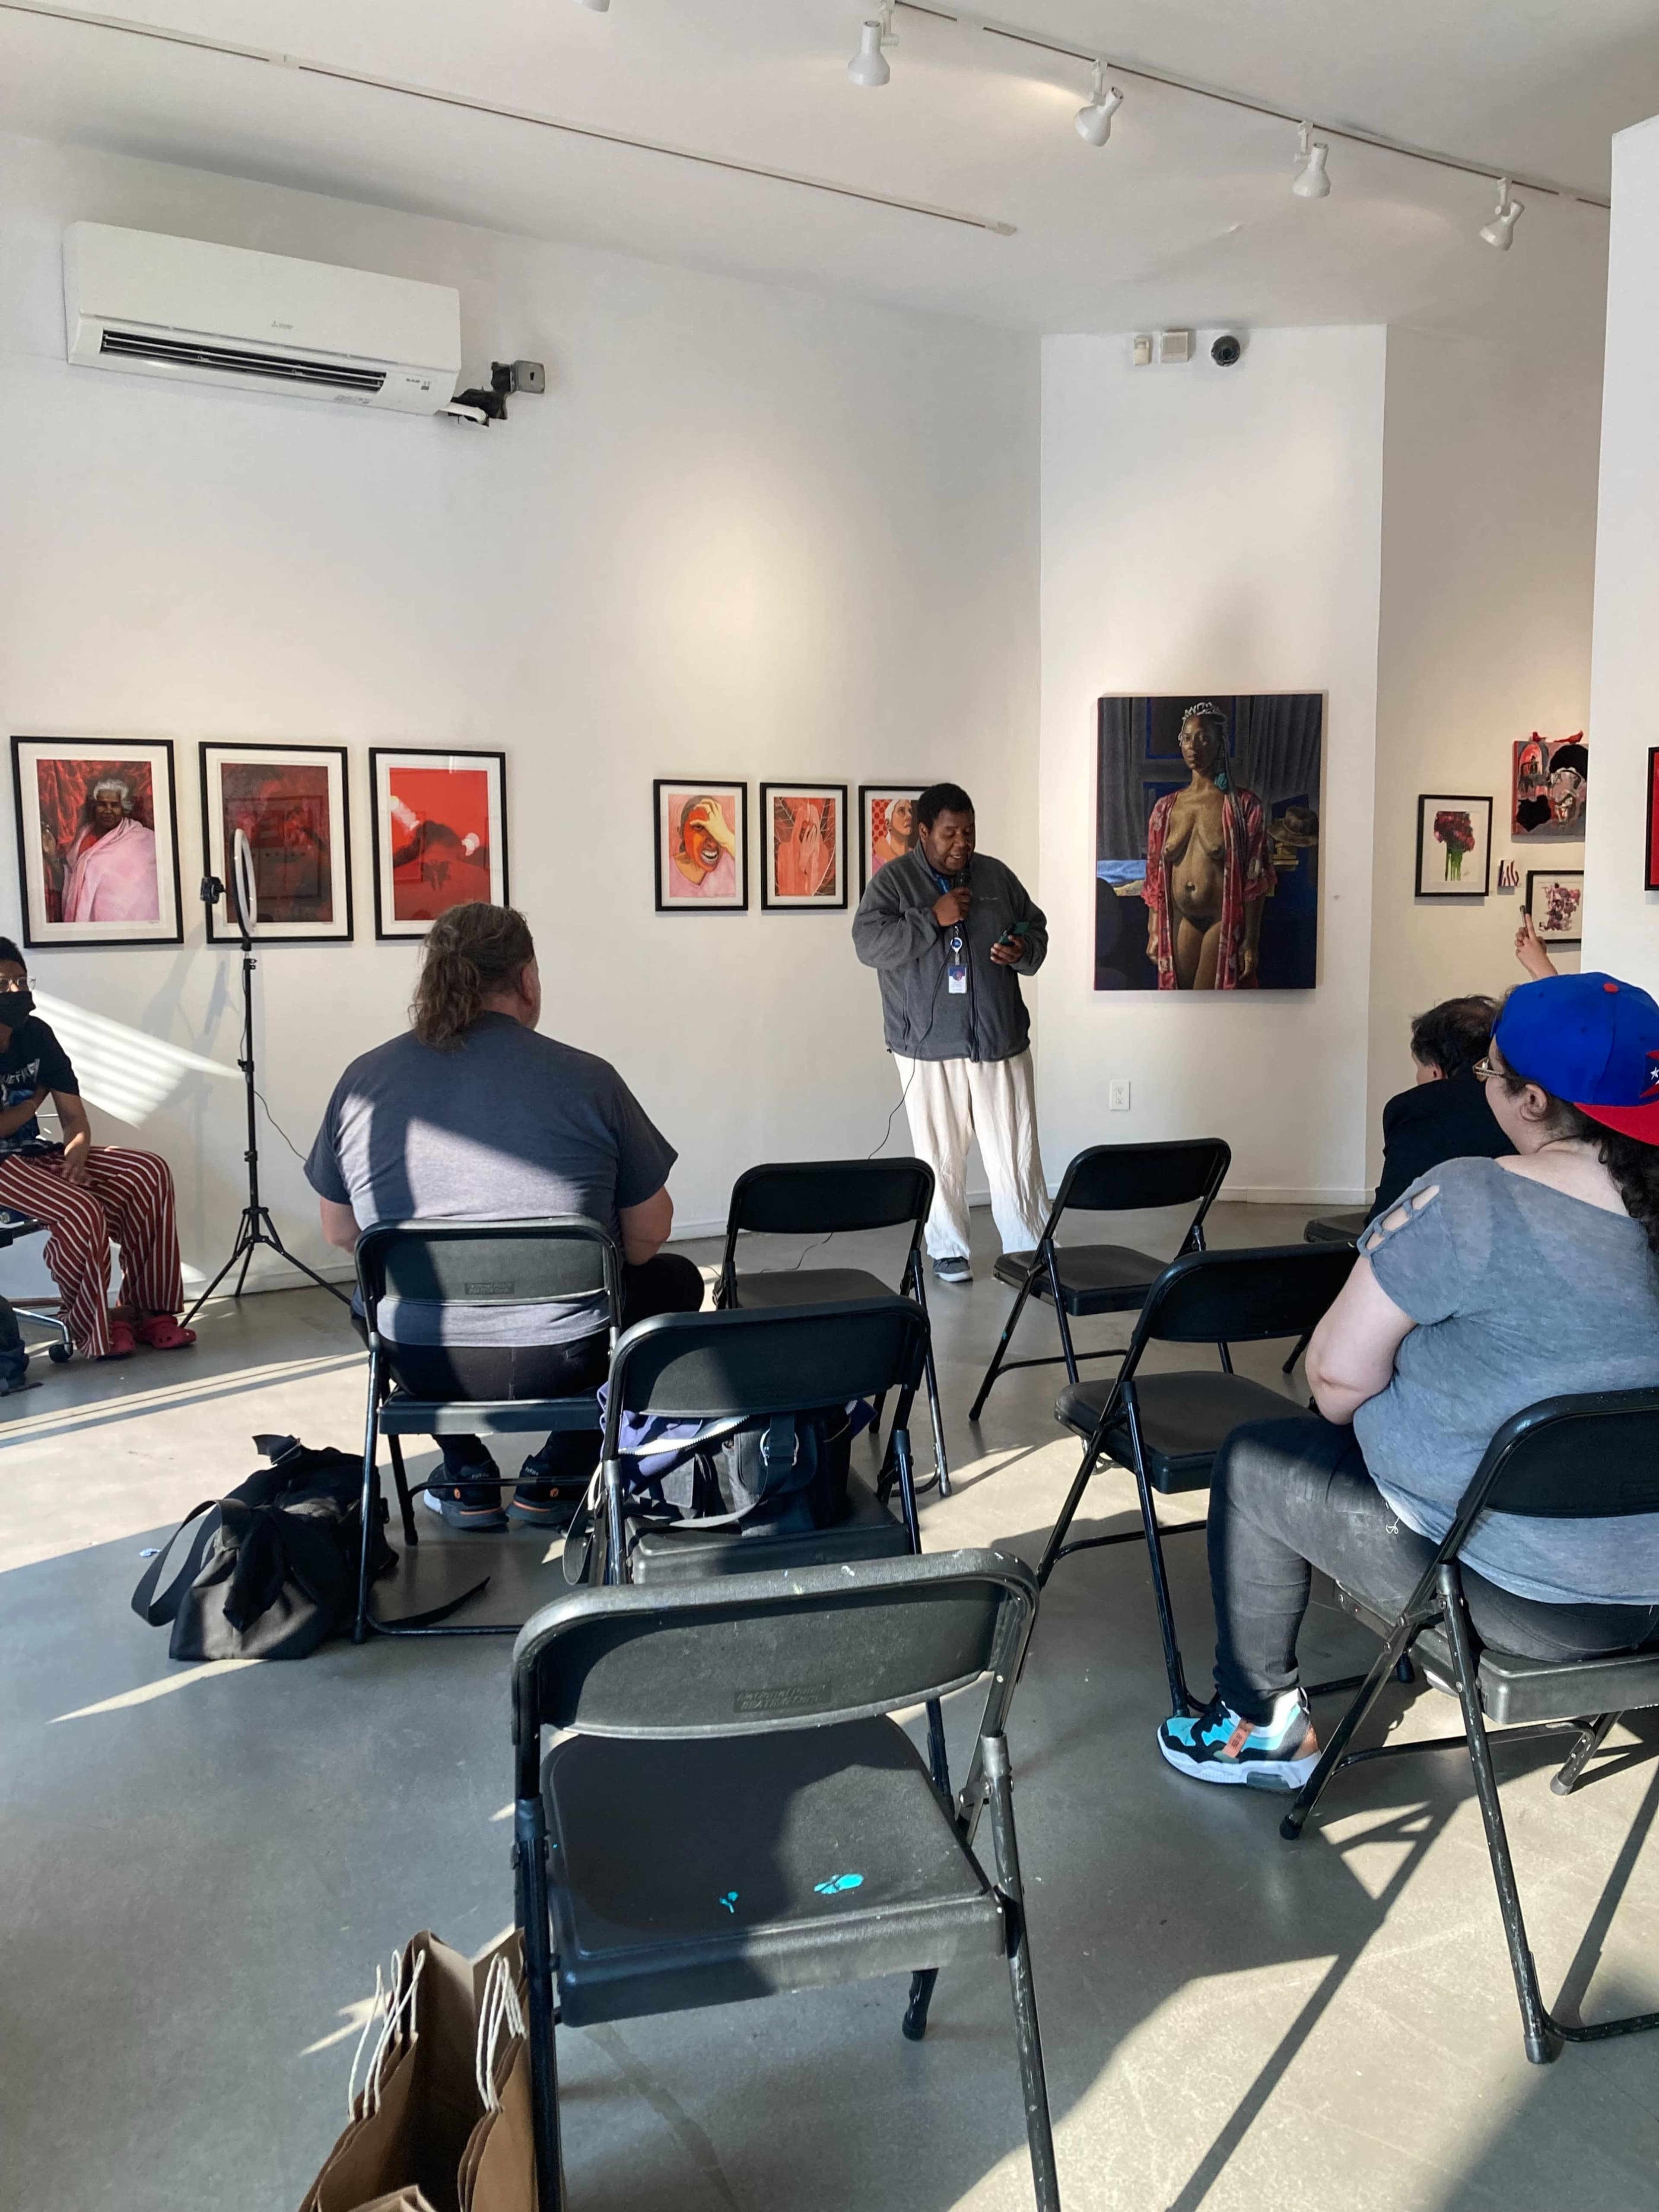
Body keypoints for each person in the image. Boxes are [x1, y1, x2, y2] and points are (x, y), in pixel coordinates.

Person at [1158, 970, 1659, 1789]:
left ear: (1532, 1102)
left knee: (1255, 1458)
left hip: (1528, 1598)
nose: (1484, 1087)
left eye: (1491, 1074)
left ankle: (1260, 1725)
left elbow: (1333, 1382)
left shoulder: (1469, 1198)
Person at [305, 902, 705, 1529]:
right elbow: (649, 1235)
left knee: (369, 1294)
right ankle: (560, 1470)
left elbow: (339, 1231)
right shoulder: (590, 1080)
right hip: (568, 1353)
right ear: (527, 979)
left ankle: (466, 1472)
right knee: (676, 1280)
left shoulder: (364, 1080)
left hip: (424, 1357)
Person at [851, 781, 1049, 1284]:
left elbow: (1036, 927)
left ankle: (1028, 1247)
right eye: (950, 833)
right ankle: (948, 1249)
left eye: (970, 830)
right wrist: (930, 920)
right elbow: (869, 944)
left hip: (999, 1039)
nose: (962, 842)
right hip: (927, 1046)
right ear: (923, 832)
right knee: (939, 1154)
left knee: (1015, 1149)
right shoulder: (894, 883)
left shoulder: (997, 877)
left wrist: (1022, 950)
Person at [0, 940, 193, 1358]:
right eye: (3, 984)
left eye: (20, 980)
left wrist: (77, 1155)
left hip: (32, 1154)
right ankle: (91, 1325)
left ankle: (147, 1310)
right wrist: (34, 1101)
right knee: (80, 1208)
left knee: (148, 1170)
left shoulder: (37, 1034)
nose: (16, 992)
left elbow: (73, 1116)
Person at [1142, 702, 1274, 989]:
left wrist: (1251, 940)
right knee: (1182, 1008)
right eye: (1188, 738)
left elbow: (1255, 879)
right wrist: (1154, 927)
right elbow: (1154, 873)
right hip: (1180, 920)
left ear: (1220, 743)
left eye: (1204, 738)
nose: (1194, 746)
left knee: (1209, 1005)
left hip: (1220, 921)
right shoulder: (1166, 808)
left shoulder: (1243, 806)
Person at [1371, 995, 1513, 1215]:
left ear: (1436, 1071)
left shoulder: (1419, 1108)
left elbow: (1390, 1218)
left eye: (1419, 1067)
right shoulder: (1534, 1096)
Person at [57, 774, 162, 925]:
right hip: (91, 924)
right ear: (94, 806)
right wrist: (51, 858)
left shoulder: (144, 838)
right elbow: (71, 876)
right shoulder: (82, 834)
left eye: (115, 805)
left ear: (124, 807)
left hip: (129, 921)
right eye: (102, 804)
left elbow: (148, 885)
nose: (108, 810)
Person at [667, 795, 739, 900]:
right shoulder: (667, 871)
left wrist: (727, 839)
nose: (713, 843)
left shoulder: (734, 862)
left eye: (716, 829)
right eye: (699, 827)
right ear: (681, 832)